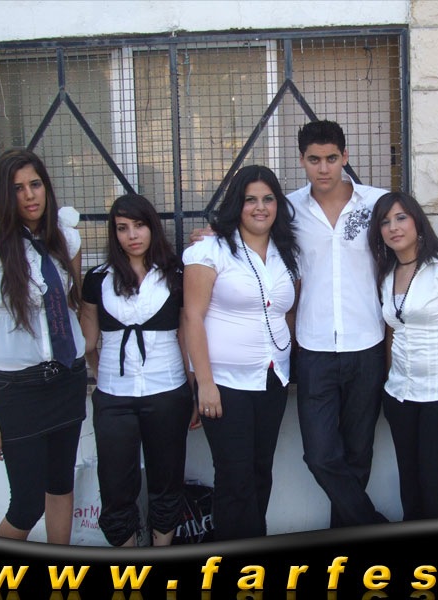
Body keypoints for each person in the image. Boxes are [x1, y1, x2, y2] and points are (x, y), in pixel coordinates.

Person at [190, 119, 438, 527]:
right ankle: (371, 524)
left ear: (345, 157)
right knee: (320, 455)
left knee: (358, 455)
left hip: (368, 346)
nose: (323, 168)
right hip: (314, 349)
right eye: (314, 159)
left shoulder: (376, 205)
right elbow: (250, 228)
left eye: (331, 158)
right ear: (301, 160)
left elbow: (412, 241)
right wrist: (212, 234)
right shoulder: (286, 209)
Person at [0, 149, 87, 543]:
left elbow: (75, 306)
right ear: (5, 195)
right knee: (26, 504)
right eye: (17, 188)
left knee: (61, 485)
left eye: (35, 184)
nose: (29, 195)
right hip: (17, 390)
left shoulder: (66, 239)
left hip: (66, 378)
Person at [183, 165, 299, 540]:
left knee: (259, 472)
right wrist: (204, 384)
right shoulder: (210, 249)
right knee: (235, 478)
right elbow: (192, 317)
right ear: (237, 204)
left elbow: (287, 311)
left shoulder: (286, 253)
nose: (260, 207)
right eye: (251, 199)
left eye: (268, 199)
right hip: (224, 384)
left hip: (272, 379)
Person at [80, 193, 194, 546]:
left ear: (152, 227)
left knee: (167, 480)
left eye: (140, 225)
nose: (132, 235)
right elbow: (88, 341)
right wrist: (102, 377)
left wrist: (193, 390)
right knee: (115, 484)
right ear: (114, 233)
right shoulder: (97, 279)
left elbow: (186, 334)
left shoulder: (177, 275)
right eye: (122, 228)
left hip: (168, 391)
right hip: (113, 396)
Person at [368, 192, 438, 520]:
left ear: (417, 222)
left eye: (401, 218)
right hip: (400, 396)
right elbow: (393, 331)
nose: (393, 227)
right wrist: (389, 381)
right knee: (410, 485)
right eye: (385, 222)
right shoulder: (387, 274)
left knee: (433, 485)